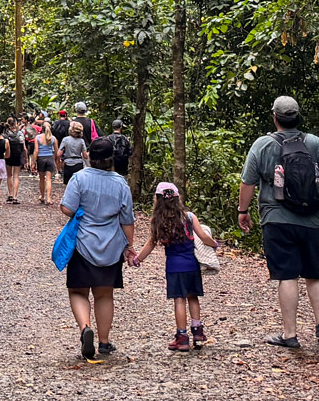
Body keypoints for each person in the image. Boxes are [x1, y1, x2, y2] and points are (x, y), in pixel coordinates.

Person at [239, 94, 319, 348]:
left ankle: (290, 334)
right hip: (313, 220)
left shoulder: (262, 145)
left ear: (275, 118)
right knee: (315, 274)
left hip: (277, 219)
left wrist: (243, 211)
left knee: (287, 275)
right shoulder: (313, 142)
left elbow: (248, 182)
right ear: (297, 117)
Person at [61, 138, 135, 361]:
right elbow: (127, 221)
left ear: (89, 156)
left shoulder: (79, 178)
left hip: (83, 244)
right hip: (111, 246)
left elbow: (67, 208)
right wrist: (129, 247)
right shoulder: (120, 184)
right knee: (104, 294)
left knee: (77, 291)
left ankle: (85, 329)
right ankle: (103, 342)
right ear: (112, 158)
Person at [131, 181, 217, 351]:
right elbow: (202, 236)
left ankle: (182, 336)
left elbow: (150, 244)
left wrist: (138, 259)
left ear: (157, 201)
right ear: (177, 199)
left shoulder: (158, 222)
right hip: (192, 265)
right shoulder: (189, 218)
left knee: (179, 300)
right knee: (193, 297)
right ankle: (198, 331)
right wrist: (214, 244)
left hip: (174, 267)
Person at [57, 123, 89, 189]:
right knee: (78, 184)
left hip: (68, 164)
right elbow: (85, 156)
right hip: (78, 164)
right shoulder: (81, 141)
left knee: (68, 185)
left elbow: (59, 154)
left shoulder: (65, 139)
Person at [33, 119, 57, 204]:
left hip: (41, 158)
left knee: (42, 179)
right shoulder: (53, 138)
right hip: (49, 158)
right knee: (49, 179)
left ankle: (42, 196)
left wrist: (33, 162)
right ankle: (49, 198)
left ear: (41, 129)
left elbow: (36, 151)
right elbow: (56, 151)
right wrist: (55, 160)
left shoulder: (38, 138)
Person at [4, 121, 27, 204]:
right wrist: (26, 158)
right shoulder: (20, 134)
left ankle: (10, 194)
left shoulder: (7, 134)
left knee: (9, 175)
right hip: (18, 155)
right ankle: (15, 196)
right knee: (16, 176)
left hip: (9, 155)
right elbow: (24, 147)